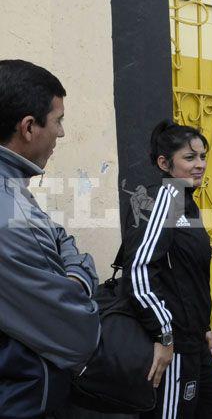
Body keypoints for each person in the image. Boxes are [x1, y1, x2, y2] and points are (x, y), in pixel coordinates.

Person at [0, 60, 100, 416]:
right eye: (58, 121)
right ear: (29, 127)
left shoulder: (14, 191)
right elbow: (78, 330)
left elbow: (57, 235)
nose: (61, 134)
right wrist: (81, 276)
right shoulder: (10, 211)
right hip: (21, 399)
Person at [121, 121, 212, 419]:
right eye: (189, 158)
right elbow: (139, 271)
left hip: (192, 336)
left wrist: (204, 326)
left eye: (202, 156)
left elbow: (188, 274)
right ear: (164, 163)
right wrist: (165, 335)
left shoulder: (187, 203)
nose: (200, 165)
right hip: (173, 342)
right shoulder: (164, 200)